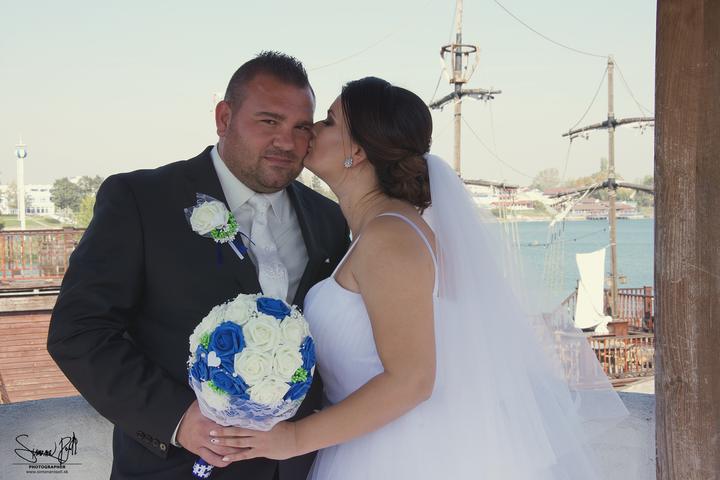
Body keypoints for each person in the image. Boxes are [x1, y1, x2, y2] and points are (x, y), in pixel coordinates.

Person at [207, 77, 629, 479]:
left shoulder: (390, 238)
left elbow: (411, 380)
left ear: (359, 151)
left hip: (396, 456)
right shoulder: (374, 232)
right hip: (369, 442)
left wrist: (295, 438)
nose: (312, 129)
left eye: (330, 121)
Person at [47, 52, 350, 480]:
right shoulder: (141, 200)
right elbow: (79, 331)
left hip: (301, 468)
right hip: (175, 468)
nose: (287, 142)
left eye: (301, 127)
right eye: (269, 121)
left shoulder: (329, 218)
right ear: (224, 117)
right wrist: (177, 419)